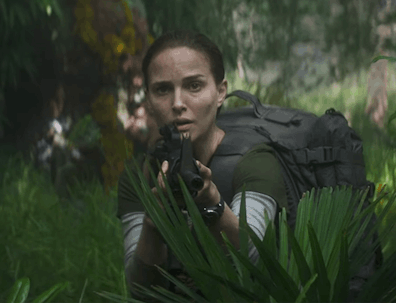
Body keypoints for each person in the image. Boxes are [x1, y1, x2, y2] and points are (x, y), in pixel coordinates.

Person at [116, 30, 288, 301]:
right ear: (148, 99)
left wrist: (213, 206)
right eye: (163, 89)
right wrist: (154, 222)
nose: (178, 104)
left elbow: (258, 267)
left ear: (220, 93)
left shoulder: (253, 161)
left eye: (193, 86)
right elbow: (139, 291)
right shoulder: (140, 175)